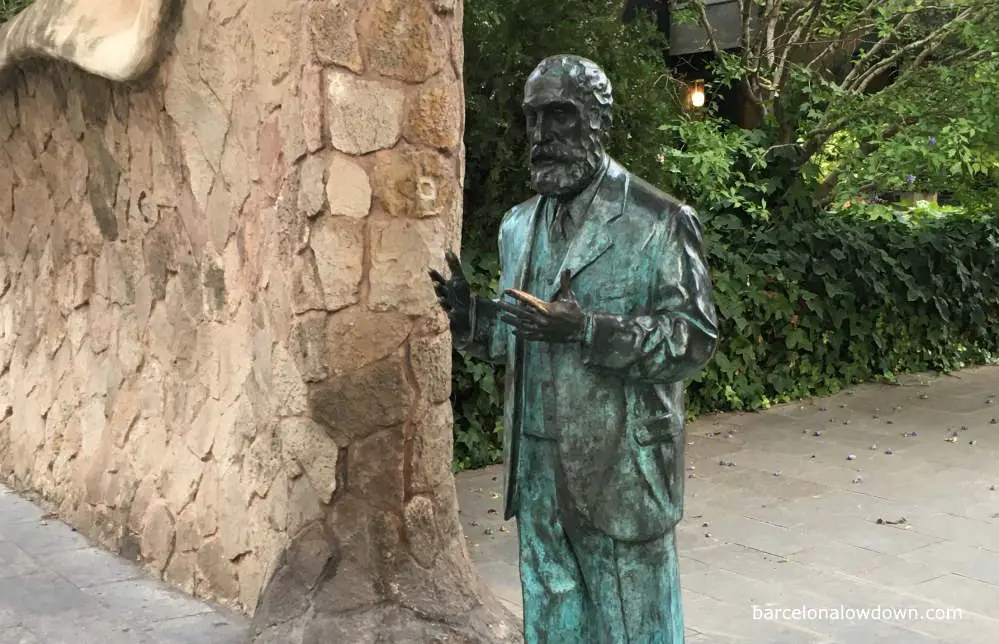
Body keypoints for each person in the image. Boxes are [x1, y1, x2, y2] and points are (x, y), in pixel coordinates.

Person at [429, 54, 718, 643]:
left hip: (621, 467)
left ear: (598, 121)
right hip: (534, 468)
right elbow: (520, 338)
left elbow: (694, 338)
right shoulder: (517, 225)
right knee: (552, 616)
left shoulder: (659, 221)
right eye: (534, 119)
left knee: (634, 624)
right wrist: (473, 321)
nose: (542, 135)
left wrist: (590, 329)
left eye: (560, 116)